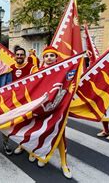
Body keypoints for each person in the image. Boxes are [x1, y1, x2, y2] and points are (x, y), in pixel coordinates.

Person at [37, 46, 72, 178]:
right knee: (43, 132)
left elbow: (69, 85)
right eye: (47, 56)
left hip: (59, 107)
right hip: (44, 108)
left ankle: (64, 163)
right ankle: (42, 155)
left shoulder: (64, 71)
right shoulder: (38, 72)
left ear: (56, 57)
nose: (49, 58)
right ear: (43, 58)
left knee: (60, 134)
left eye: (52, 55)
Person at [10, 46, 38, 156]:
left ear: (25, 56)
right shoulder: (10, 68)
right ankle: (21, 145)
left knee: (30, 125)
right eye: (18, 54)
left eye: (22, 54)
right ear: (14, 56)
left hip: (28, 102)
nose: (19, 56)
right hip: (15, 103)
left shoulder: (32, 68)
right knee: (19, 126)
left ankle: (31, 148)